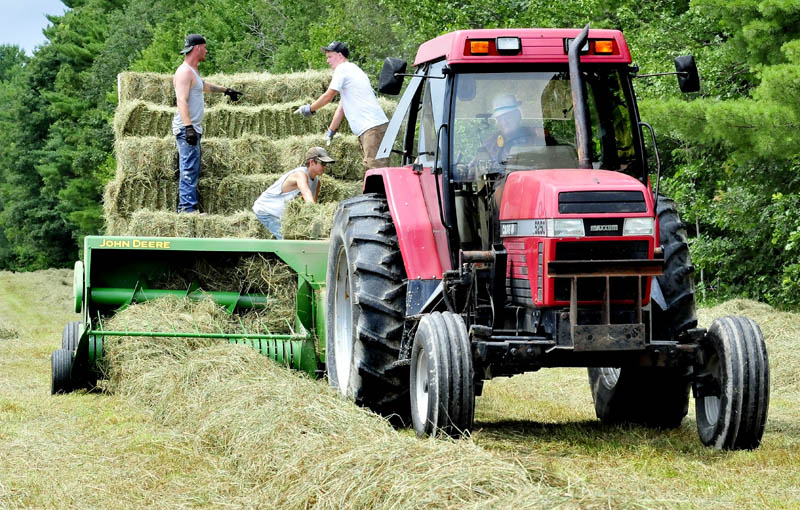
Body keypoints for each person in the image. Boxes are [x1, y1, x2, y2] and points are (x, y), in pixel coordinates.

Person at [172, 34, 242, 213]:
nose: (206, 51)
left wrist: (226, 90)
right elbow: (181, 100)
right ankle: (187, 211)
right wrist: (188, 128)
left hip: (193, 128)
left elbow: (203, 86)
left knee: (192, 169)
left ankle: (187, 208)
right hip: (186, 129)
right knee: (188, 170)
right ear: (197, 48)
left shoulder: (192, 71)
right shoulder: (184, 72)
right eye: (205, 47)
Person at [293, 41, 389, 170]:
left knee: (375, 169)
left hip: (372, 128)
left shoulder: (342, 69)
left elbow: (329, 96)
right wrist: (331, 131)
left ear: (340, 55)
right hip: (371, 128)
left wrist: (309, 109)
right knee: (371, 169)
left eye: (330, 57)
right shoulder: (353, 70)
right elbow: (342, 107)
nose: (327, 61)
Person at [252, 146, 334, 239]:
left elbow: (313, 204)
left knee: (300, 237)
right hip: (266, 211)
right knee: (287, 239)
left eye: (326, 164)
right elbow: (306, 193)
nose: (325, 167)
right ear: (311, 162)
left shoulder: (316, 182)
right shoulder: (300, 174)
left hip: (280, 215)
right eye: (323, 163)